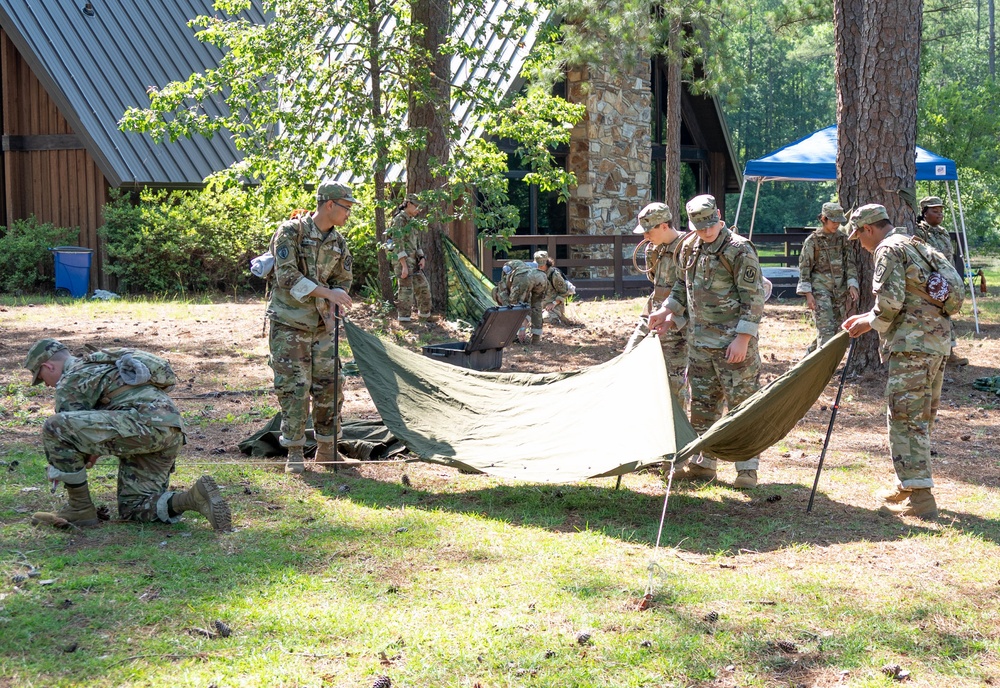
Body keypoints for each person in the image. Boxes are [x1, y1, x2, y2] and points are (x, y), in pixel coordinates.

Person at [23, 339, 231, 531]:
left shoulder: (71, 379)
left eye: (42, 378)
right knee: (135, 508)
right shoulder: (104, 364)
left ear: (48, 366)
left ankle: (79, 509)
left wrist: (61, 465)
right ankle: (193, 498)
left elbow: (67, 436)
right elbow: (91, 438)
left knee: (54, 427)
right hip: (170, 428)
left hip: (141, 425)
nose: (48, 385)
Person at [842, 203, 952, 519]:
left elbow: (890, 302)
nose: (860, 244)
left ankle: (920, 498)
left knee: (906, 417)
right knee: (920, 415)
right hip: (936, 341)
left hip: (911, 346)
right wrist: (868, 315)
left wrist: (868, 323)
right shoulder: (915, 244)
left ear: (869, 229)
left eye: (858, 236)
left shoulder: (887, 250)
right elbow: (915, 296)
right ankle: (907, 483)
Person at [649, 194, 765, 488]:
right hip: (699, 344)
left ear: (719, 216)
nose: (706, 232)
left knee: (742, 406)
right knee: (702, 406)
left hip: (733, 345)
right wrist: (666, 310)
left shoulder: (739, 249)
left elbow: (754, 298)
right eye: (700, 228)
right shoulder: (688, 248)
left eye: (710, 225)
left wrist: (742, 338)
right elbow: (680, 285)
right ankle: (704, 464)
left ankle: (747, 468)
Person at [267, 178, 355, 474]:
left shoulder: (338, 242)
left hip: (323, 325)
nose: (348, 214)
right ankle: (294, 451)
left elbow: (344, 279)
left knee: (331, 386)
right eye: (346, 207)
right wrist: (328, 293)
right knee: (295, 387)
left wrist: (336, 300)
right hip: (290, 324)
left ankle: (327, 450)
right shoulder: (291, 232)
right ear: (329, 204)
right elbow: (287, 276)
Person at [624, 202, 689, 407]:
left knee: (673, 380)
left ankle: (677, 429)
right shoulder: (654, 249)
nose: (645, 237)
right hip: (653, 313)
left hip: (677, 321)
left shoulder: (688, 248)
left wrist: (672, 317)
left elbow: (692, 291)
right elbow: (656, 283)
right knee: (629, 359)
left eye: (648, 231)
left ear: (664, 226)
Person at [796, 201, 860, 353]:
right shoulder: (813, 241)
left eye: (839, 221)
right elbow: (804, 268)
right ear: (824, 219)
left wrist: (852, 284)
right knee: (825, 334)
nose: (836, 224)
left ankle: (806, 364)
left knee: (834, 333)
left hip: (840, 292)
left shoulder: (843, 239)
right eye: (833, 221)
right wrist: (808, 294)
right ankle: (819, 373)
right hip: (820, 292)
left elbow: (850, 263)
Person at [913, 196, 968, 366]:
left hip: (947, 280)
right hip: (931, 283)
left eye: (941, 211)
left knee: (946, 315)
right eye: (934, 211)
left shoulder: (942, 232)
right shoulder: (919, 232)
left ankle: (948, 352)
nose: (939, 214)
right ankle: (937, 354)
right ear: (924, 213)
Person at [387, 194, 431, 325]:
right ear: (408, 203)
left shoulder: (412, 221)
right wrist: (404, 266)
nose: (419, 210)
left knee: (423, 287)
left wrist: (421, 257)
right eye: (417, 206)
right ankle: (404, 320)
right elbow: (397, 242)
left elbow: (415, 242)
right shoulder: (399, 220)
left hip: (414, 260)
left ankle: (424, 317)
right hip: (403, 261)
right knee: (406, 291)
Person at [497, 258, 548, 344]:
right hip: (541, 276)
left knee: (515, 307)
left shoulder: (502, 289)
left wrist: (522, 329)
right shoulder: (523, 265)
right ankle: (536, 339)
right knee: (537, 305)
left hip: (523, 276)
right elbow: (529, 306)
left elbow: (512, 307)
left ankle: (517, 334)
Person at [535, 250, 572, 324]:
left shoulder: (554, 275)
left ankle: (560, 319)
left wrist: (554, 303)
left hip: (552, 306)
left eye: (541, 265)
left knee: (547, 319)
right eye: (538, 265)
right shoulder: (534, 273)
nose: (539, 267)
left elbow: (564, 292)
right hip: (538, 306)